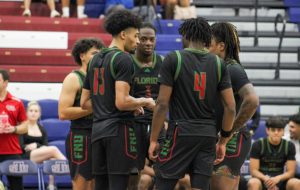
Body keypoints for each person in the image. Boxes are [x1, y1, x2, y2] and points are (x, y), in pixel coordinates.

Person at [148, 17, 236, 190]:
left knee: (163, 183)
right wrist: (223, 140)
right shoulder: (219, 64)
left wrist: (153, 140)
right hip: (208, 135)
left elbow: (162, 104)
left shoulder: (174, 58)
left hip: (181, 132)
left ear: (185, 35)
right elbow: (231, 107)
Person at [80, 10, 155, 190]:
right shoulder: (124, 59)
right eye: (136, 36)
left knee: (101, 186)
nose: (138, 41)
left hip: (97, 132)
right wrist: (144, 101)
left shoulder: (94, 59)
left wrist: (125, 105)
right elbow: (121, 102)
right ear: (123, 34)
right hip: (118, 133)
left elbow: (85, 103)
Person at [209, 22, 259, 190]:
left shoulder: (232, 68)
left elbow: (252, 101)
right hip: (221, 139)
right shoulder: (220, 68)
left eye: (209, 44)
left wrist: (227, 134)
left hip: (231, 140)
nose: (205, 48)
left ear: (221, 46)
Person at [58, 38, 104, 190]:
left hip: (101, 134)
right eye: (94, 53)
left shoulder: (102, 78)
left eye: (100, 54)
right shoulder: (73, 78)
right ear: (82, 56)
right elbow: (63, 113)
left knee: (98, 184)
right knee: (82, 184)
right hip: (80, 135)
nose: (98, 57)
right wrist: (96, 106)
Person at [20, 101, 66, 190]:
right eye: (31, 111)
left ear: (39, 114)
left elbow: (45, 146)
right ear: (26, 112)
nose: (33, 113)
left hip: (39, 156)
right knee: (53, 149)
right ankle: (71, 169)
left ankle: (51, 185)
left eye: (36, 111)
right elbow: (20, 147)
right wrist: (30, 147)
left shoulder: (42, 129)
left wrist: (36, 145)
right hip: (25, 155)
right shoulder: (22, 127)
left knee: (52, 158)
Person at [248, 116, 297, 190]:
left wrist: (277, 178)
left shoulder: (289, 145)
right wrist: (267, 179)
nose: (276, 133)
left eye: (279, 130)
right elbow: (253, 171)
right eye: (273, 130)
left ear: (283, 131)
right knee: (252, 182)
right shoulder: (257, 144)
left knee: (296, 183)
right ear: (267, 131)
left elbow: (291, 172)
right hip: (262, 179)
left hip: (280, 180)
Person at [0, 69, 28, 190]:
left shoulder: (17, 102)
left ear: (6, 83)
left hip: (12, 152)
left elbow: (25, 126)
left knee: (17, 187)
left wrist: (13, 129)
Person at [283, 114, 300, 190]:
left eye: (292, 127)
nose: (289, 129)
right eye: (289, 126)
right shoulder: (284, 141)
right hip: (288, 177)